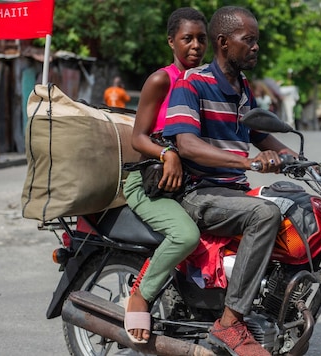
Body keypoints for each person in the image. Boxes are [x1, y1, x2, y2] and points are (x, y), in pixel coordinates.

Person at [163, 6, 296, 356]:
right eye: (247, 40)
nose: (255, 47)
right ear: (223, 42)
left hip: (230, 191)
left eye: (256, 40)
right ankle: (230, 321)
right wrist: (246, 160)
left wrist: (293, 156)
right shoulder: (193, 83)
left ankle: (280, 307)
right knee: (264, 214)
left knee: (298, 204)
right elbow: (186, 143)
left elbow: (255, 132)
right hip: (199, 192)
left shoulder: (242, 88)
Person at [122, 7, 208, 344]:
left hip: (188, 184)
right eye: (187, 38)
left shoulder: (207, 83)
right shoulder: (162, 79)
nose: (195, 46)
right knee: (186, 236)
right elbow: (138, 137)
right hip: (150, 184)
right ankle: (141, 295)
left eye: (201, 39)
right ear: (172, 41)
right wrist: (166, 153)